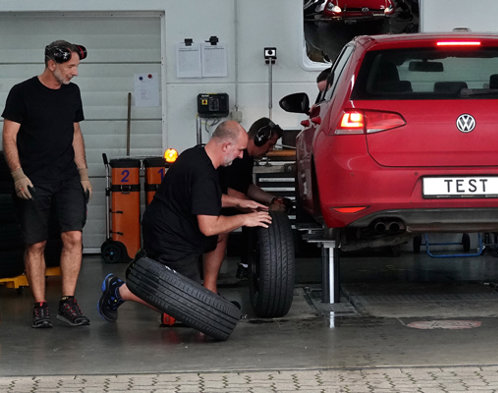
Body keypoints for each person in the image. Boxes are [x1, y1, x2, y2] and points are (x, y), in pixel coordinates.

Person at [97, 120, 272, 322]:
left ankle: (205, 292)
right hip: (169, 239)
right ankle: (119, 290)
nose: (241, 155)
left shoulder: (196, 155)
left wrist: (240, 203)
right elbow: (208, 227)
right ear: (226, 146)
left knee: (220, 236)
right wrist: (245, 219)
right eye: (240, 150)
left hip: (173, 229)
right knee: (191, 310)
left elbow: (202, 198)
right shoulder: (204, 174)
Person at [2, 40, 92, 328]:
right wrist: (17, 174)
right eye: (70, 67)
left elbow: (75, 132)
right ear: (51, 64)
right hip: (34, 178)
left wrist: (83, 173)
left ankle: (67, 302)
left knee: (73, 237)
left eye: (76, 66)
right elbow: (9, 137)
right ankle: (40, 305)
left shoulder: (72, 93)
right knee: (36, 242)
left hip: (66, 176)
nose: (75, 73)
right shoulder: (22, 93)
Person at [202, 117, 287, 293]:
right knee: (221, 232)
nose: (269, 150)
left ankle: (245, 265)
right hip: (210, 203)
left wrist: (270, 199)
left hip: (221, 199)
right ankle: (210, 287)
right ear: (259, 137)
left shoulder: (246, 158)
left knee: (253, 217)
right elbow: (235, 195)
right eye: (270, 145)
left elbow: (246, 187)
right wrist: (265, 210)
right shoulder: (239, 158)